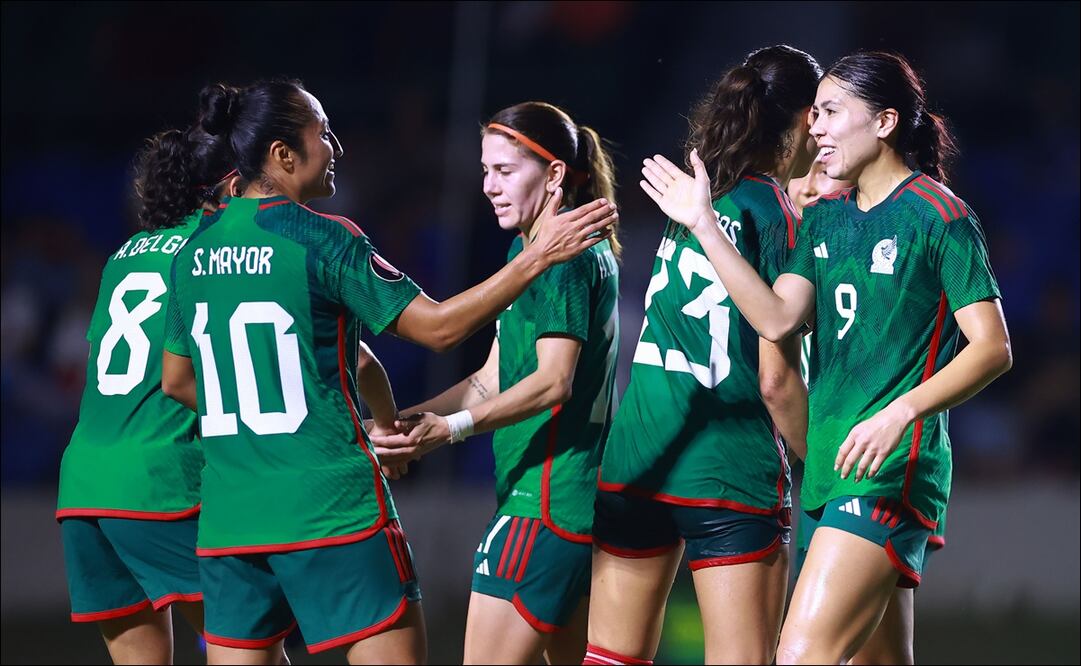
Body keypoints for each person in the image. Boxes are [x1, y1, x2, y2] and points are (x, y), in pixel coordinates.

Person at [157, 79, 616, 665]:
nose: (336, 146)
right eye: (322, 133)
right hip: (335, 508)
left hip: (231, 522)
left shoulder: (192, 254)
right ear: (282, 155)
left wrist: (402, 422)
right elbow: (441, 328)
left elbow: (177, 380)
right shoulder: (325, 239)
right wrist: (534, 258)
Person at [639, 51, 1011, 664]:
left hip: (888, 468)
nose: (815, 127)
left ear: (886, 122)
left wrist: (900, 413)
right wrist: (704, 225)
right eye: (815, 114)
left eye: (832, 112)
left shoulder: (939, 216)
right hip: (829, 472)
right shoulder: (828, 220)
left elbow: (993, 346)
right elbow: (777, 317)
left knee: (801, 657)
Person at [583, 45, 820, 666]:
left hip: (639, 455)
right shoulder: (779, 220)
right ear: (800, 122)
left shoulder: (694, 204)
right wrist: (822, 465)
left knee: (611, 658)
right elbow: (775, 379)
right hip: (727, 467)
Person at [372, 101, 621, 664]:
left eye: (505, 171)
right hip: (557, 503)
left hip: (545, 506)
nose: (489, 186)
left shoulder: (559, 257)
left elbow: (554, 383)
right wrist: (406, 424)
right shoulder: (530, 250)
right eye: (485, 170)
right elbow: (492, 378)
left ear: (554, 173)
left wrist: (452, 429)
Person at [55, 119, 241, 664]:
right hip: (159, 485)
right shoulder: (212, 253)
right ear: (228, 187)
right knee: (250, 651)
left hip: (85, 488)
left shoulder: (124, 254)